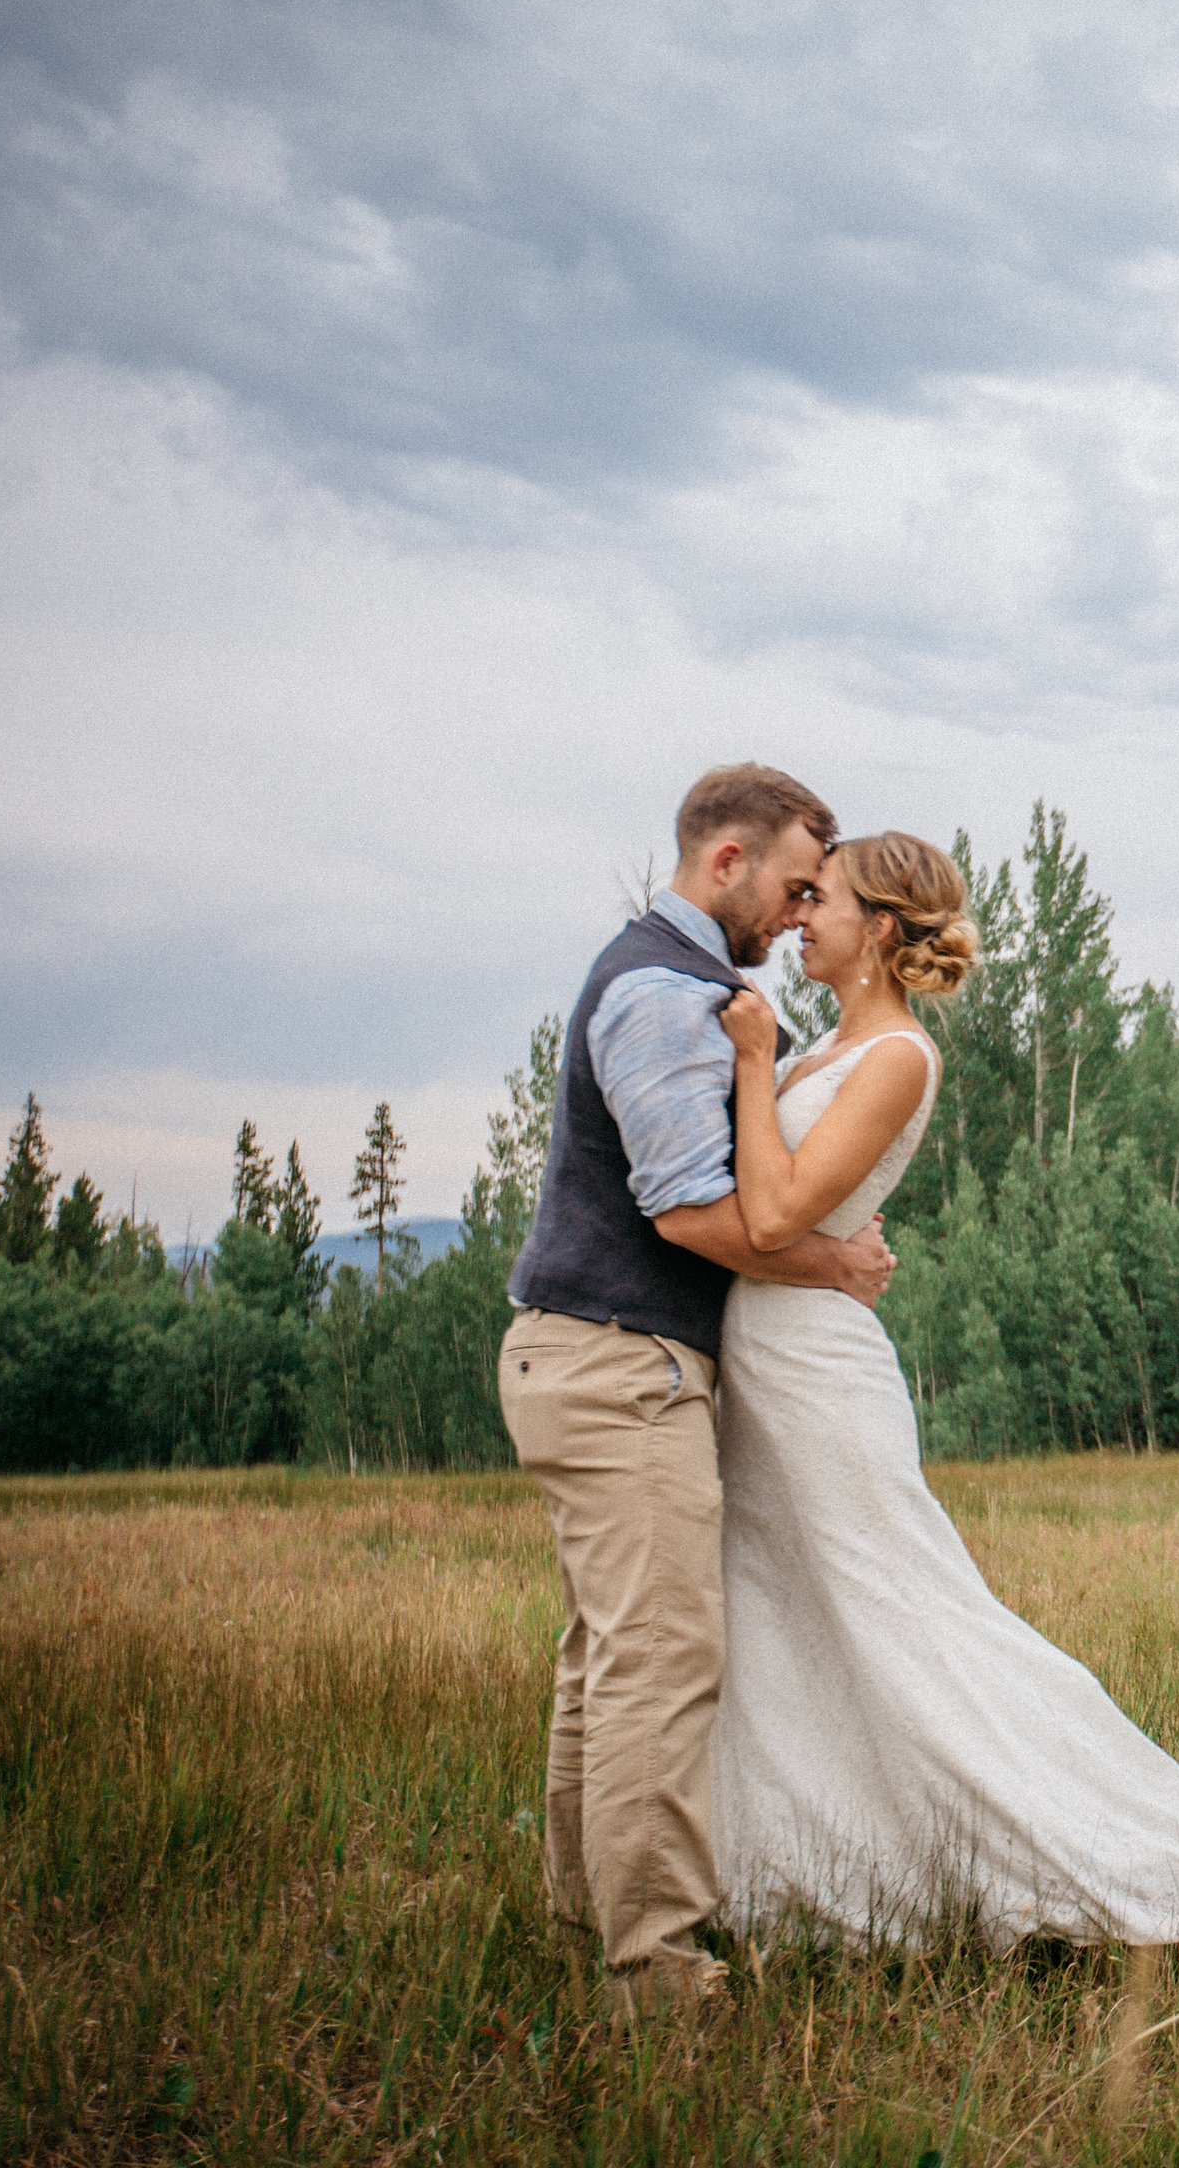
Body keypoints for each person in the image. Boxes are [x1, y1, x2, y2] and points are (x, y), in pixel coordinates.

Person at [705, 828, 1179, 1954]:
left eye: (821, 900)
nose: (799, 917)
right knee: (782, 1619)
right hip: (758, 1366)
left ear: (881, 930)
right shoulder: (813, 1052)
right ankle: (817, 1880)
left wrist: (749, 1065)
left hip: (817, 1376)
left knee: (905, 1614)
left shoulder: (896, 1058)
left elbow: (778, 1216)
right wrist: (763, 1066)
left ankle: (1097, 1857)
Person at [498, 764, 897, 2020]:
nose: (793, 915)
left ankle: (590, 1922)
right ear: (725, 862)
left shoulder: (667, 981)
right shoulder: (669, 995)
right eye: (787, 887)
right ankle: (657, 1978)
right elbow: (688, 1211)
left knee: (605, 1662)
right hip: (620, 1365)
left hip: (590, 1353)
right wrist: (833, 1261)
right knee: (659, 1665)